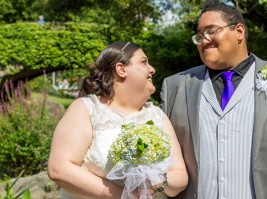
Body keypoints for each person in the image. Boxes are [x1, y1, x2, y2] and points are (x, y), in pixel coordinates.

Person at [160, 1, 267, 199]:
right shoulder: (175, 87)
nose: (204, 40)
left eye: (211, 31)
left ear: (239, 32)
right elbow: (163, 158)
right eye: (199, 36)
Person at [47, 41, 188, 199]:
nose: (152, 69)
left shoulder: (157, 116)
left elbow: (180, 176)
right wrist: (126, 196)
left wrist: (158, 181)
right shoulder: (86, 109)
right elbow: (59, 169)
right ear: (121, 69)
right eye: (144, 62)